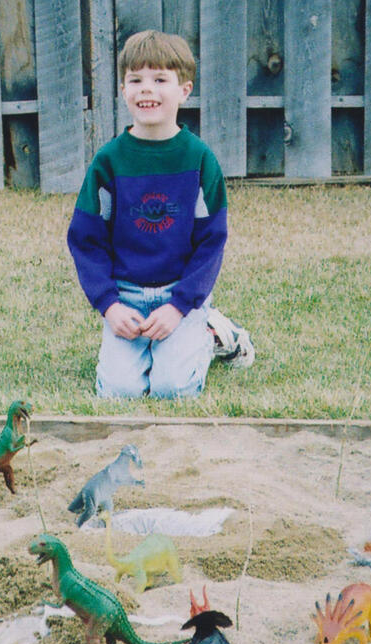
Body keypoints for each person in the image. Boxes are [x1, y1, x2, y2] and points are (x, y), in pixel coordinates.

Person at [67, 30, 228, 398]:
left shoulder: (199, 160)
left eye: (160, 79)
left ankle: (212, 333)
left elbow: (211, 242)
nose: (146, 90)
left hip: (180, 296)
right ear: (123, 89)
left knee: (173, 390)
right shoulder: (109, 162)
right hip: (126, 297)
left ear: (184, 90)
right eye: (135, 80)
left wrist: (180, 305)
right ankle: (135, 348)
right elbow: (86, 240)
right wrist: (109, 305)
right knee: (118, 392)